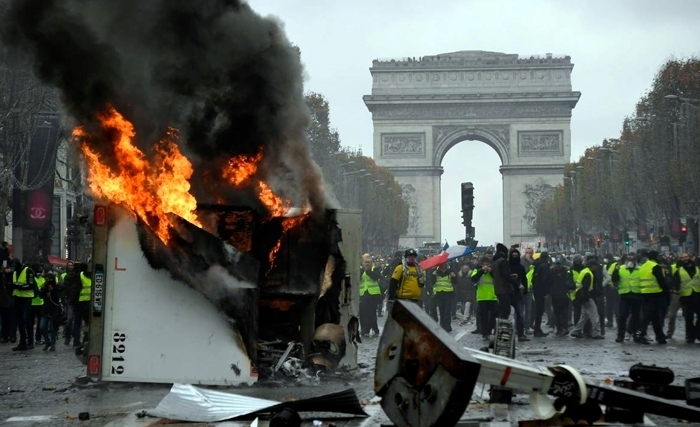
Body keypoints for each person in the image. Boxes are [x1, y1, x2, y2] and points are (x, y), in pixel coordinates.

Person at [636, 250, 667, 344]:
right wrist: (666, 293)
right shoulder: (655, 266)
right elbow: (661, 281)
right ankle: (640, 334)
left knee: (655, 316)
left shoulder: (643, 266)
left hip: (644, 293)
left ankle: (660, 336)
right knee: (649, 316)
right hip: (655, 293)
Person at [569, 256, 604, 339]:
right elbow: (585, 288)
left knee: (584, 316)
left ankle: (576, 331)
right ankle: (596, 333)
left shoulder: (584, 271)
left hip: (581, 296)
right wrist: (586, 300)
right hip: (587, 297)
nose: (597, 267)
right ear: (592, 266)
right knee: (595, 316)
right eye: (595, 266)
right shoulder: (588, 274)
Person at [611, 253, 642, 343]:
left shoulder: (640, 269)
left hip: (637, 295)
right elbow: (614, 279)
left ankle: (636, 334)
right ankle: (621, 335)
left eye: (632, 259)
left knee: (636, 316)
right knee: (622, 316)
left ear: (635, 260)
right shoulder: (621, 268)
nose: (630, 261)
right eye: (628, 259)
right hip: (625, 296)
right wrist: (616, 271)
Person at [11, 259, 37, 351]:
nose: (13, 268)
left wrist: (18, 287)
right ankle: (22, 342)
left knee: (26, 318)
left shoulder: (28, 271)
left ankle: (30, 341)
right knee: (20, 321)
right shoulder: (14, 272)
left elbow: (30, 285)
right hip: (17, 298)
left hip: (26, 298)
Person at [471, 256, 498, 340]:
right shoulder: (477, 270)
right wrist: (482, 270)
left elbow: (498, 278)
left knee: (494, 315)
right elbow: (473, 278)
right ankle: (485, 333)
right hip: (482, 297)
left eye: (487, 264)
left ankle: (490, 329)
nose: (486, 265)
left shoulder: (494, 270)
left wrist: (491, 271)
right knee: (484, 317)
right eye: (484, 264)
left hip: (493, 297)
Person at [550, 255, 575, 336]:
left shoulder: (566, 271)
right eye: (557, 264)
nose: (558, 266)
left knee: (565, 312)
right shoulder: (552, 271)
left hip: (564, 295)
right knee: (557, 313)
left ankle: (565, 328)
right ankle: (559, 328)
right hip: (555, 295)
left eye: (559, 264)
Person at [359, 255, 382, 337]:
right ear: (363, 263)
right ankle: (366, 329)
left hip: (373, 295)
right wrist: (362, 270)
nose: (367, 264)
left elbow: (376, 277)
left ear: (371, 263)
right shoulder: (360, 270)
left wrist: (368, 271)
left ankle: (370, 329)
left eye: (369, 262)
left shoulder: (375, 269)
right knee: (363, 313)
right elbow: (357, 279)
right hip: (363, 294)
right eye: (366, 262)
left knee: (371, 313)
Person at [39, 272, 62, 351]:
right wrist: (46, 289)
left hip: (54, 310)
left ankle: (52, 344)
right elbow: (40, 295)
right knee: (42, 327)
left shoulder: (57, 286)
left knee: (52, 328)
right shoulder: (44, 286)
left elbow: (57, 297)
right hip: (45, 309)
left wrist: (52, 290)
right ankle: (47, 342)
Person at [531, 251, 553, 337]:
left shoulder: (537, 265)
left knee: (538, 310)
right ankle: (537, 329)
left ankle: (537, 328)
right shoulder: (545, 266)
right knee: (539, 311)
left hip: (536, 290)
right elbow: (545, 280)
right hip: (541, 291)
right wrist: (546, 292)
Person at [433, 262, 456, 332]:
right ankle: (442, 324)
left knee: (447, 310)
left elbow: (455, 282)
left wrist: (454, 277)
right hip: (439, 293)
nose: (443, 265)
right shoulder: (436, 272)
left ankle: (447, 325)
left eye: (444, 264)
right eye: (441, 264)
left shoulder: (450, 271)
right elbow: (432, 282)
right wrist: (433, 275)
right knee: (441, 309)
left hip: (448, 293)